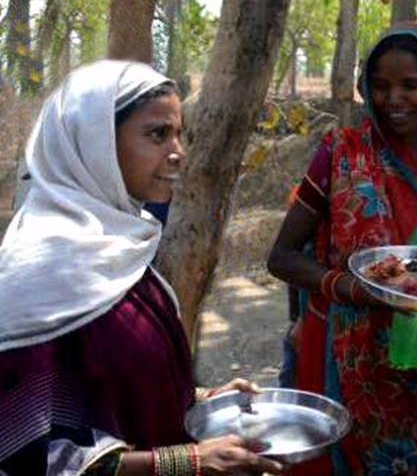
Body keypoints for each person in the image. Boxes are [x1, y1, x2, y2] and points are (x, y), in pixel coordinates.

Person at [0, 60, 282, 476]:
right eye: (157, 135)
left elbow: (116, 382)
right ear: (94, 145)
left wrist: (203, 400)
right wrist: (187, 462)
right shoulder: (40, 273)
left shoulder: (118, 249)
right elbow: (29, 454)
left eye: (179, 134)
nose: (178, 153)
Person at [267, 24, 417, 476]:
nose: (393, 99)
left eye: (410, 85)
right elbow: (282, 257)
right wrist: (346, 286)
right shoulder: (341, 154)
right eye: (381, 86)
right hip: (339, 355)